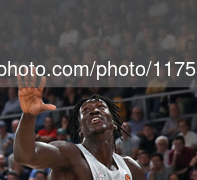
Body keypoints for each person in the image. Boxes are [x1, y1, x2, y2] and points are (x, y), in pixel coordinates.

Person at [14, 72, 145, 180]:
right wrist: (28, 116)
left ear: (115, 123)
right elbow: (25, 156)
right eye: (86, 110)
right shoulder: (68, 154)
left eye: (101, 107)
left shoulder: (131, 167)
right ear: (80, 129)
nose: (94, 111)